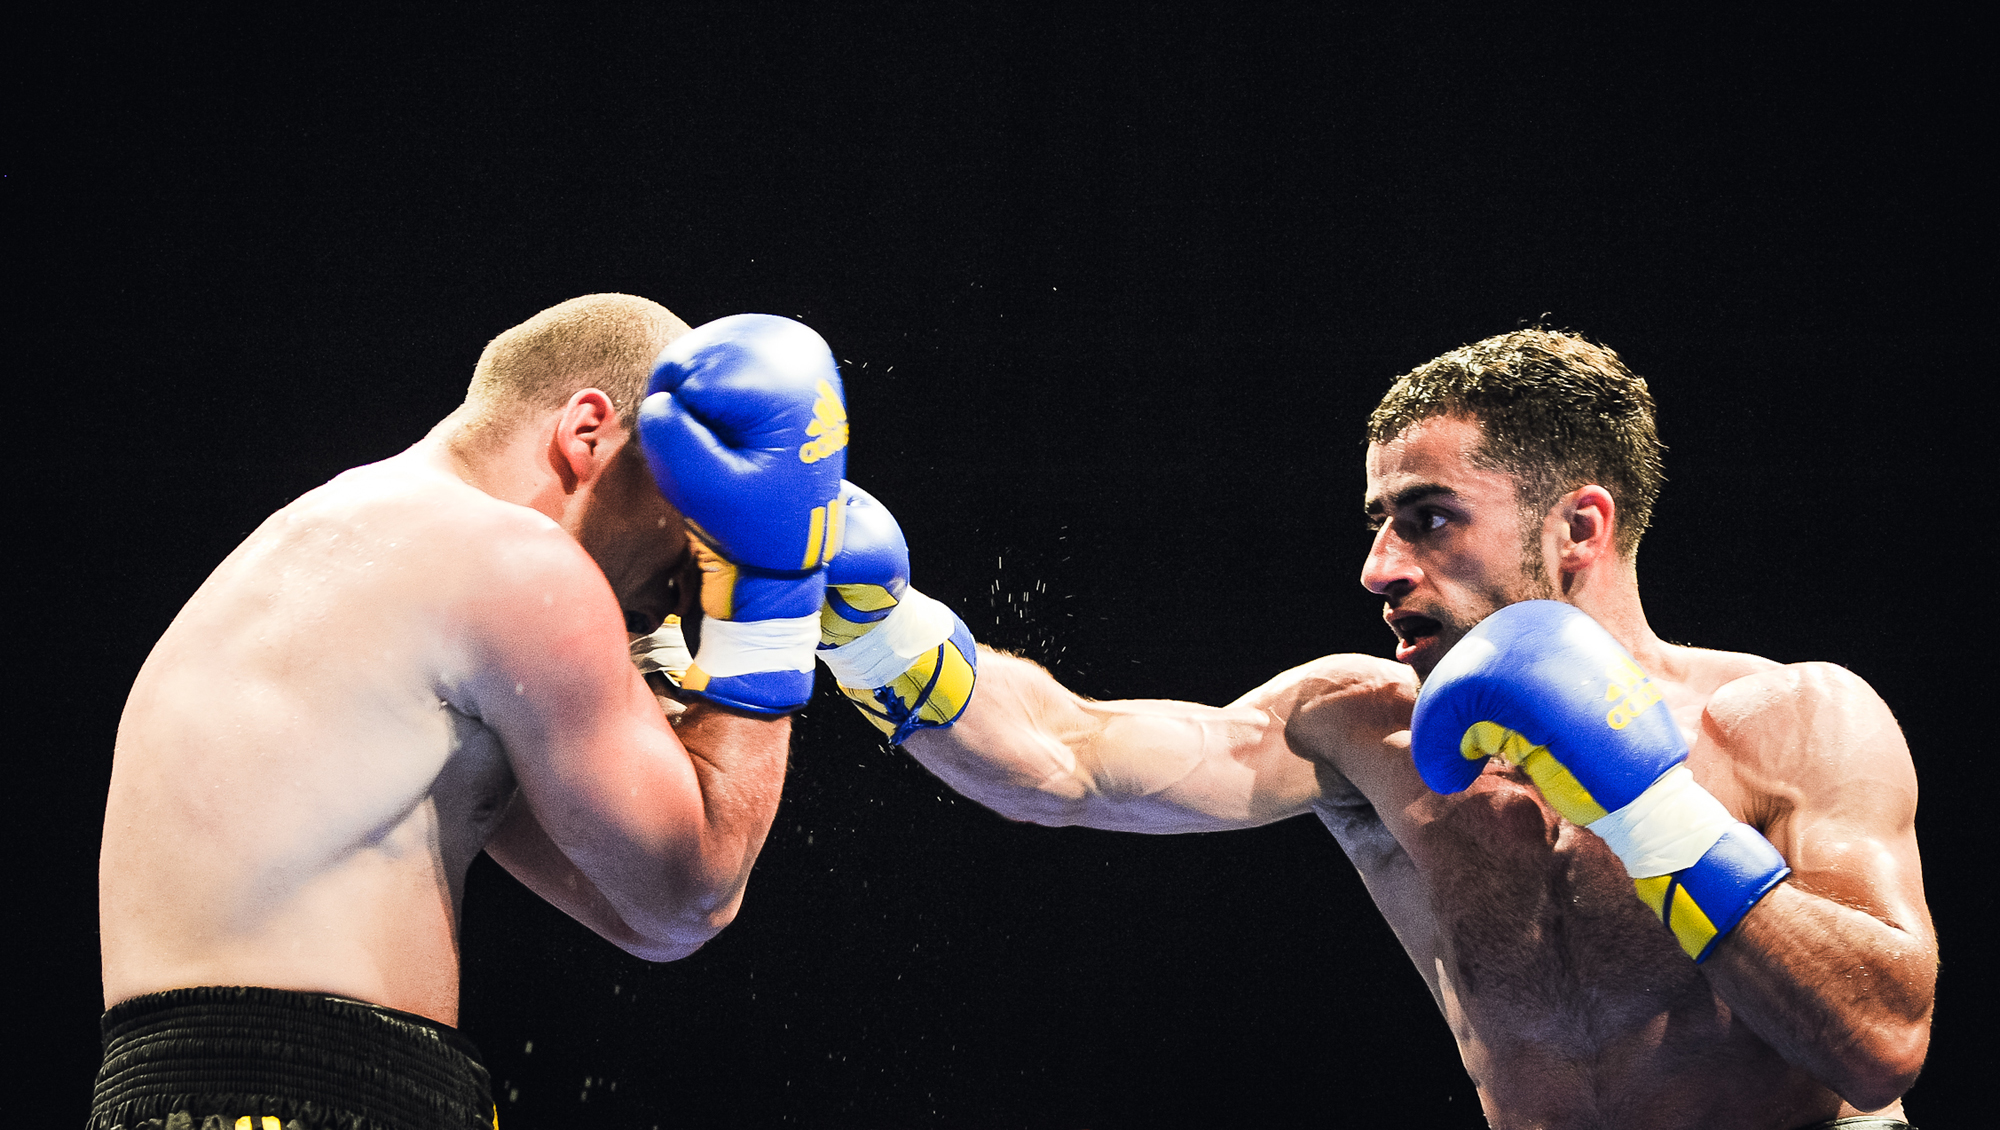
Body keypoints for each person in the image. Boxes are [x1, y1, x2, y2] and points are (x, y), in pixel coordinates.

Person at [817, 330, 1935, 1130]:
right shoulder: (1362, 726)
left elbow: (1880, 1043)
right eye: (1378, 522)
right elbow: (1066, 760)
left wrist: (1649, 805)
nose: (1378, 568)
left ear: (1578, 525)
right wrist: (872, 630)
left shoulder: (1790, 720)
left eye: (1428, 517)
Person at [94, 295, 849, 1130]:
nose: (689, 573)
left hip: (171, 1094)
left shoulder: (334, 550)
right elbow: (691, 889)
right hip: (316, 1095)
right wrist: (771, 599)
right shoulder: (516, 559)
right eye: (691, 511)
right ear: (588, 430)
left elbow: (645, 914)